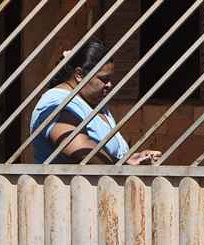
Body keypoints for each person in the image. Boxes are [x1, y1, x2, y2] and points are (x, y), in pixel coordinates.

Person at [30, 39, 160, 165]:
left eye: (110, 78)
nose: (109, 84)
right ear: (79, 75)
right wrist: (124, 165)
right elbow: (81, 149)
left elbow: (107, 155)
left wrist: (132, 158)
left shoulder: (93, 103)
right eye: (104, 79)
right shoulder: (55, 103)